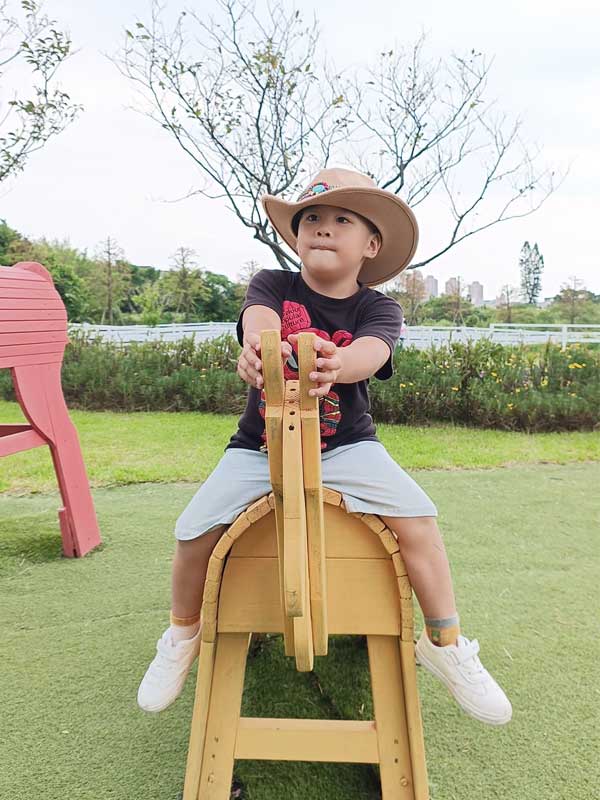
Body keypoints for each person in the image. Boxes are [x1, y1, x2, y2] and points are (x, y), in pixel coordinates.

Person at [137, 166, 512, 726]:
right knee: (192, 530)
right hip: (259, 447)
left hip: (346, 447)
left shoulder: (378, 308)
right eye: (311, 218)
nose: (323, 228)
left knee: (420, 521)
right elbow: (259, 323)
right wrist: (257, 349)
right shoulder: (272, 283)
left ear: (372, 244)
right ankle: (182, 633)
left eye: (342, 220)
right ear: (296, 235)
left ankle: (445, 642)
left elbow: (373, 353)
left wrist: (339, 363)